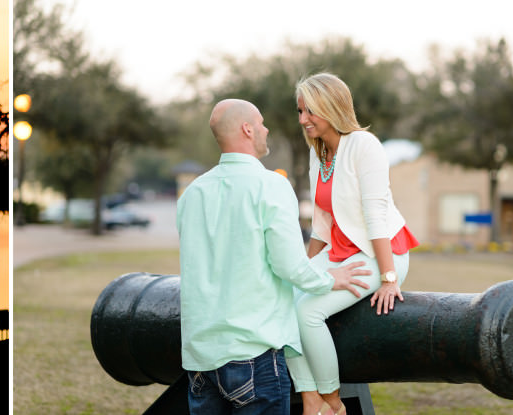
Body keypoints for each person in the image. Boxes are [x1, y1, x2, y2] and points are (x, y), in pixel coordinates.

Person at [177, 98, 372, 415]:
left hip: (200, 358)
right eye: (262, 123)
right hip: (253, 354)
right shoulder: (271, 186)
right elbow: (289, 265)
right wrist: (329, 279)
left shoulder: (194, 193)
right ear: (248, 129)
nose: (267, 129)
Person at [287, 73, 419, 415]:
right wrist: (301, 272)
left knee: (307, 312)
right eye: (299, 111)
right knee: (283, 302)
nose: (302, 120)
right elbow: (321, 225)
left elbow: (375, 215)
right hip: (338, 253)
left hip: (381, 253)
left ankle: (333, 403)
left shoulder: (364, 146)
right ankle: (310, 399)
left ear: (331, 107)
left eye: (309, 112)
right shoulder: (319, 153)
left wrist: (390, 278)